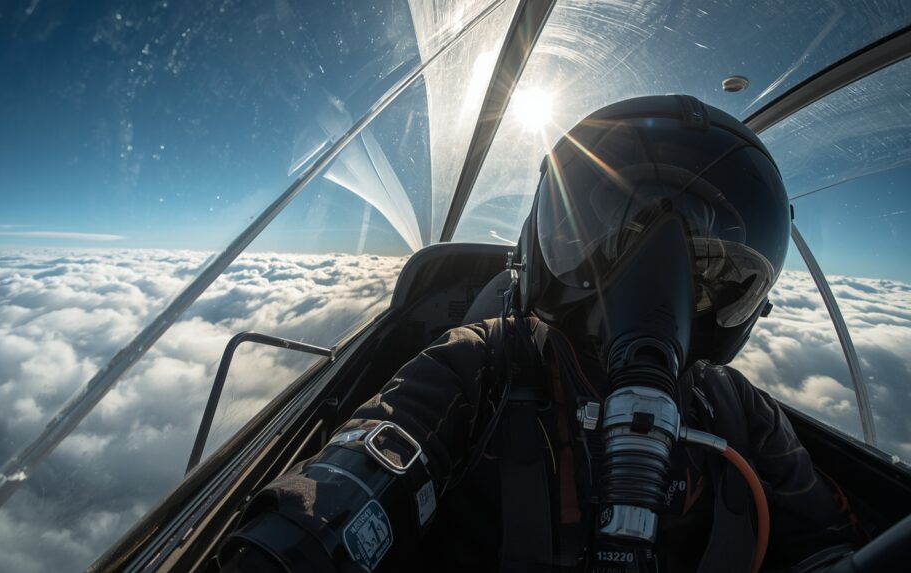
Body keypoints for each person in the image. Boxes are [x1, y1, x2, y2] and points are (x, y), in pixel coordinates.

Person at [222, 95, 860, 572]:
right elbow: (348, 486)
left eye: (708, 261)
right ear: (536, 248)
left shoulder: (741, 413)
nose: (657, 280)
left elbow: (827, 546)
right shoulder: (478, 368)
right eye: (612, 237)